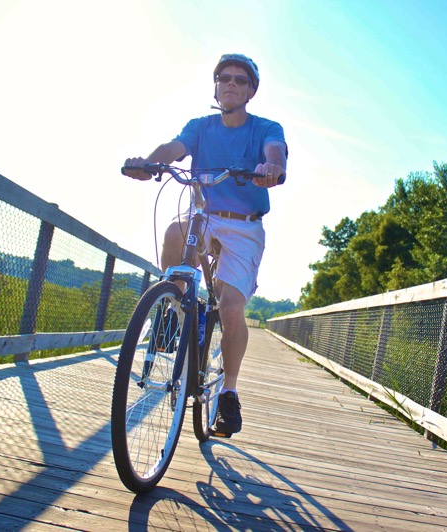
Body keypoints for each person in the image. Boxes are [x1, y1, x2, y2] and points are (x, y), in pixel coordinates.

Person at [122, 53, 288, 435]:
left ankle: (228, 394)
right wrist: (148, 163)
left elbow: (274, 151)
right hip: (205, 214)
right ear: (215, 86)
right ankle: (173, 310)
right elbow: (174, 148)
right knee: (174, 232)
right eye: (223, 78)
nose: (230, 84)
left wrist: (271, 169)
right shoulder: (201, 126)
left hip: (244, 227)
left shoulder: (264, 127)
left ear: (251, 90)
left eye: (239, 80)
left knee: (230, 308)